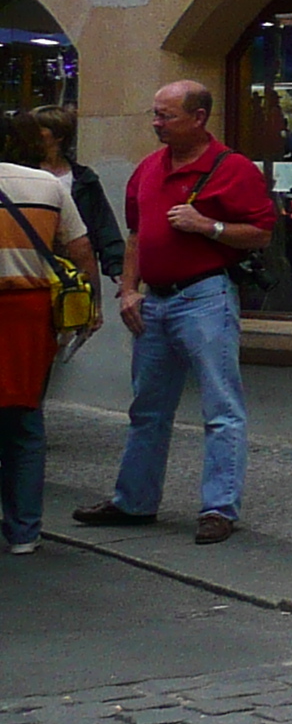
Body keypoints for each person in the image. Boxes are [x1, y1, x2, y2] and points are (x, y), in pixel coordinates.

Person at [73, 83, 275, 545]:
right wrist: (128, 289)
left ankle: (218, 508)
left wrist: (209, 226)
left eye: (166, 116)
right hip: (156, 300)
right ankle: (134, 500)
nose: (156, 124)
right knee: (147, 407)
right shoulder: (148, 169)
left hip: (204, 295)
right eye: (155, 115)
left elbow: (261, 232)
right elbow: (138, 236)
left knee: (221, 407)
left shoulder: (233, 169)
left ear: (199, 117)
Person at [1, 124, 98, 556]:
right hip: (30, 313)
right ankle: (24, 531)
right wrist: (91, 306)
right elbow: (80, 250)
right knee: (24, 421)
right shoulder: (47, 185)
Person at [27, 109, 123, 293]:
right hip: (32, 267)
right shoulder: (23, 174)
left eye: (39, 128)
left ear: (59, 135)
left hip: (72, 270)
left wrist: (117, 268)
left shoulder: (84, 179)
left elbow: (103, 225)